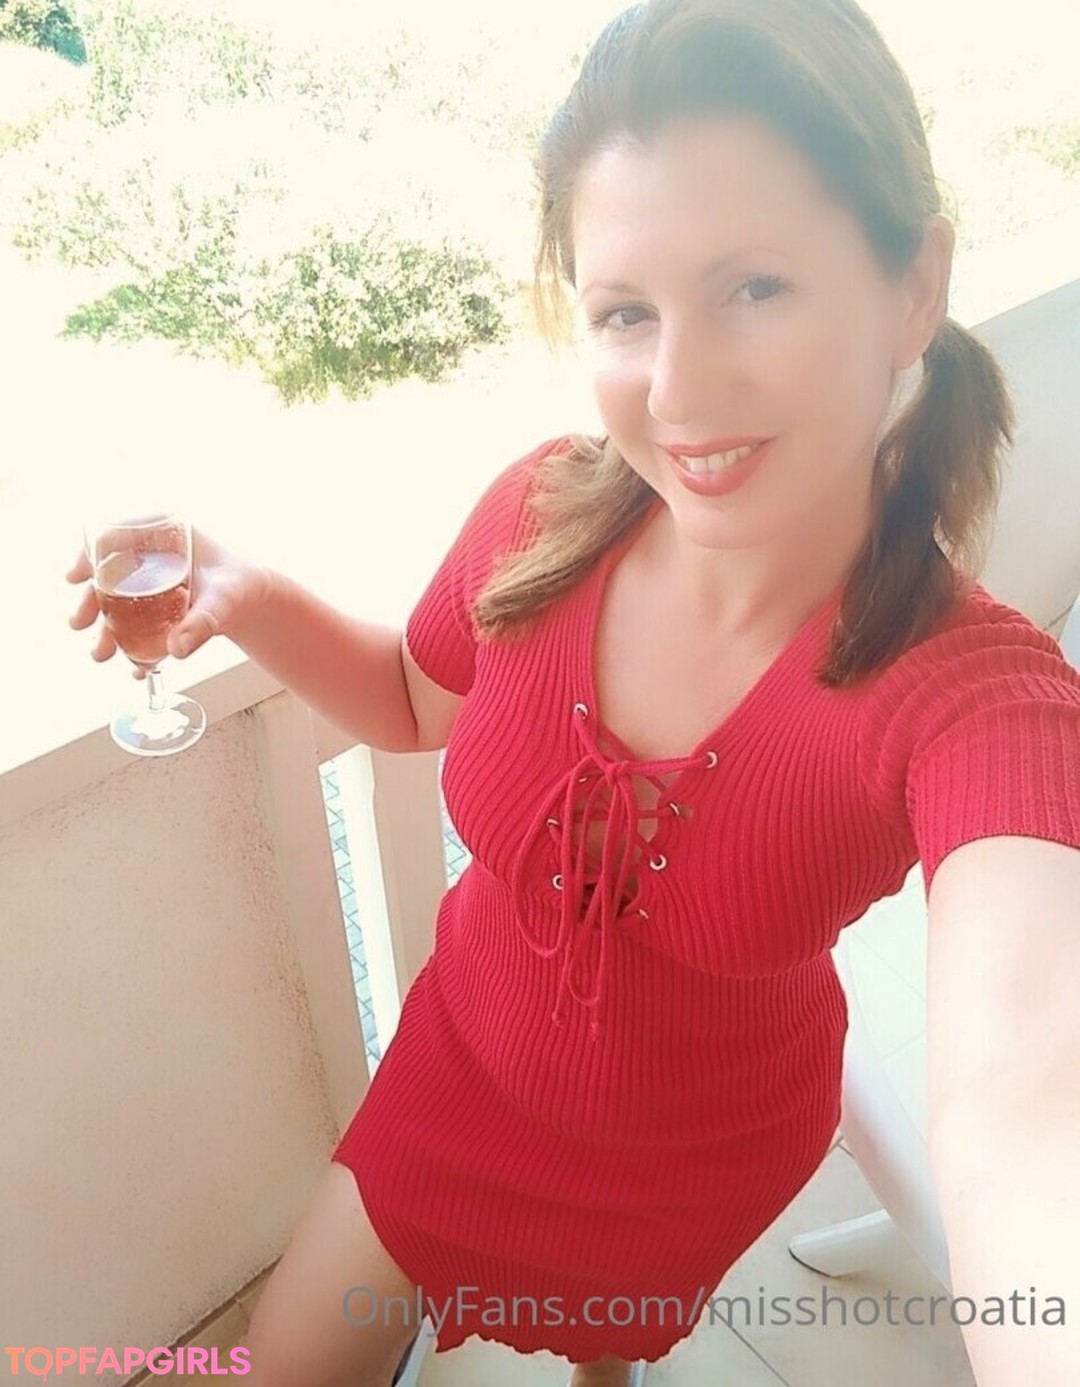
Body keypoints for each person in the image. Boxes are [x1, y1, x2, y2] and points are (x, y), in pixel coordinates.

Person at [67, 1, 1080, 1384]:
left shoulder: (972, 696)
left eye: (756, 288)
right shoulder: (543, 516)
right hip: (459, 1078)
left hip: (694, 1161)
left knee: (610, 1347)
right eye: (626, 313)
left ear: (914, 286)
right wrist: (246, 595)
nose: (680, 389)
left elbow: (1030, 1087)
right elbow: (410, 703)